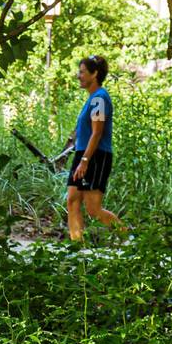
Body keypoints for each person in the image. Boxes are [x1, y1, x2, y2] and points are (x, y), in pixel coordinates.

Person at [67, 54, 123, 242]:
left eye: (82, 72)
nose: (78, 76)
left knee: (93, 209)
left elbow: (97, 132)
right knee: (73, 200)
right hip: (83, 153)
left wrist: (85, 161)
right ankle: (77, 247)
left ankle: (129, 239)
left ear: (95, 74)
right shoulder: (92, 99)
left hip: (95, 156)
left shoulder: (100, 98)